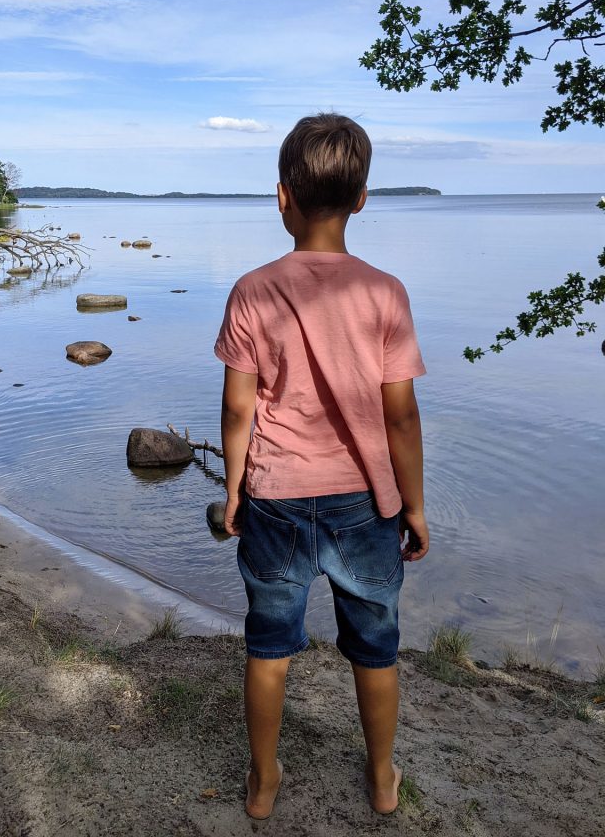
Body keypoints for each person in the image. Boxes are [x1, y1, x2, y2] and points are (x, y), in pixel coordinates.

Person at [214, 112, 429, 820]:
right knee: (375, 647)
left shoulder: (252, 289)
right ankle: (380, 775)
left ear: (283, 197)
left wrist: (235, 490)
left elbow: (239, 411)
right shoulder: (384, 292)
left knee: (269, 644)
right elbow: (399, 416)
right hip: (365, 503)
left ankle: (264, 779)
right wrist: (414, 505)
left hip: (276, 495)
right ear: (362, 199)